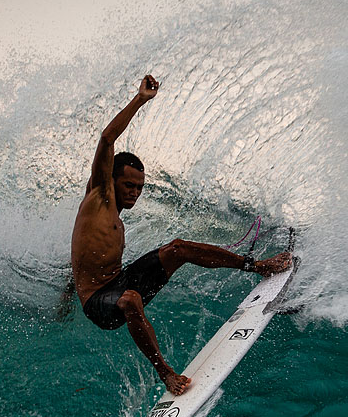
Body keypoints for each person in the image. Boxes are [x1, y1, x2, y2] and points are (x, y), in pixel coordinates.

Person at [70, 74, 290, 395]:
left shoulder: (112, 216)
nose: (135, 193)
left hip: (119, 283)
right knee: (131, 299)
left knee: (178, 249)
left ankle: (257, 266)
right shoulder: (98, 195)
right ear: (110, 180)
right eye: (128, 185)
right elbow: (107, 139)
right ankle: (167, 374)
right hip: (99, 303)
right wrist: (141, 99)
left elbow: (81, 258)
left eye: (140, 188)